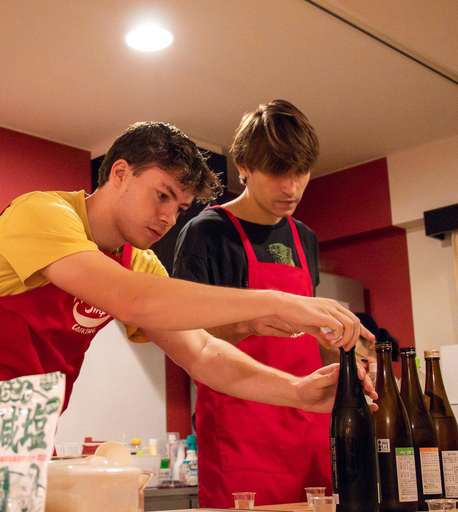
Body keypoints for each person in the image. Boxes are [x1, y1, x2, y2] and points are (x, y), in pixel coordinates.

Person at [0, 121, 374, 439]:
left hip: (24, 437)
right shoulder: (42, 212)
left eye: (179, 207)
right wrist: (275, 302)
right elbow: (133, 300)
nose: (169, 217)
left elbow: (205, 354)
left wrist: (295, 391)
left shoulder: (141, 261)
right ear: (119, 173)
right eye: (162, 196)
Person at [171, 100, 330, 507]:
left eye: (301, 172)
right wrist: (250, 322)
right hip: (240, 430)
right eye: (278, 172)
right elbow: (187, 338)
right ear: (244, 165)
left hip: (310, 425)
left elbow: (307, 336)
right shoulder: (207, 232)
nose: (291, 188)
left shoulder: (305, 238)